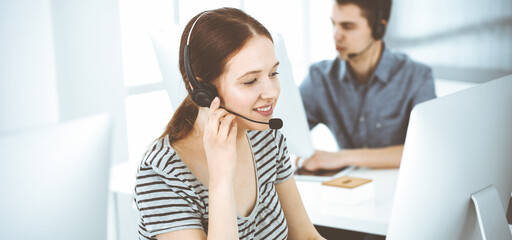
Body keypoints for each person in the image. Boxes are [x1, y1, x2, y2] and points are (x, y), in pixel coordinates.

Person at [133, 8, 325, 240]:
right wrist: (221, 178)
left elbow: (306, 237)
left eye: (273, 73)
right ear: (203, 90)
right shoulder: (162, 173)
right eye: (250, 81)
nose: (272, 92)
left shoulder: (266, 137)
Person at [299, 0, 436, 172]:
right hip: (350, 191)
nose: (336, 35)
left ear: (379, 28)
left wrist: (343, 157)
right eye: (334, 24)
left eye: (348, 26)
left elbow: (427, 149)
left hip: (403, 187)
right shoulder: (319, 78)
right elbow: (284, 130)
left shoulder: (416, 76)